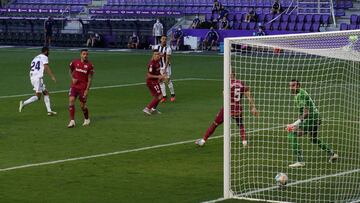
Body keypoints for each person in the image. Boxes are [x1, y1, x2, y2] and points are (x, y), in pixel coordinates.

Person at [195, 73, 259, 147]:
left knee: (215, 124)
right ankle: (244, 142)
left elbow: (224, 95)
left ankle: (203, 141)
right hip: (238, 108)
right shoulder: (241, 83)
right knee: (240, 124)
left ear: (230, 75)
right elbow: (249, 95)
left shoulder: (228, 84)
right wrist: (253, 107)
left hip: (227, 108)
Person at [286, 79, 338, 167]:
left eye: (293, 85)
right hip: (316, 118)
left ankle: (300, 161)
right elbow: (302, 113)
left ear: (298, 86)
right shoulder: (298, 95)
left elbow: (306, 114)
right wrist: (297, 123)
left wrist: (293, 124)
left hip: (312, 118)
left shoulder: (300, 94)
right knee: (313, 139)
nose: (291, 88)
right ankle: (332, 154)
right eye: (290, 86)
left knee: (292, 134)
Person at [19, 47, 57, 116]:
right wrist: (52, 76)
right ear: (46, 51)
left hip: (33, 77)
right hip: (37, 78)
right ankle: (24, 103)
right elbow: (46, 67)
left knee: (46, 92)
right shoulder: (44, 57)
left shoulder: (35, 58)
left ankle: (49, 111)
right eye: (48, 51)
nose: (49, 53)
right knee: (38, 96)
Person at [67, 49, 94, 128]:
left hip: (83, 88)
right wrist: (72, 78)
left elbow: (89, 79)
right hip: (74, 86)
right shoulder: (75, 62)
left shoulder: (90, 65)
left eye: (87, 54)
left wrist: (87, 90)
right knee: (71, 100)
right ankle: (72, 121)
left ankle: (87, 119)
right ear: (81, 55)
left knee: (82, 106)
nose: (85, 56)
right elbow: (70, 71)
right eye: (84, 54)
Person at [143, 51, 167, 115]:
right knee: (159, 96)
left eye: (158, 54)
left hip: (155, 81)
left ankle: (153, 109)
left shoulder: (158, 63)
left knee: (159, 96)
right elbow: (149, 75)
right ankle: (147, 108)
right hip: (151, 82)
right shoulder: (151, 64)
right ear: (153, 55)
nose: (157, 56)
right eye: (156, 54)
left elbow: (158, 72)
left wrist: (161, 78)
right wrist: (159, 76)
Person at [153, 35, 176, 103]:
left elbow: (167, 59)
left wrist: (165, 69)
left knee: (167, 80)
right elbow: (154, 56)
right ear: (160, 39)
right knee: (160, 81)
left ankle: (173, 95)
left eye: (165, 39)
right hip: (159, 67)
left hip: (166, 67)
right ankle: (164, 96)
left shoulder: (168, 49)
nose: (164, 40)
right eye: (163, 39)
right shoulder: (157, 47)